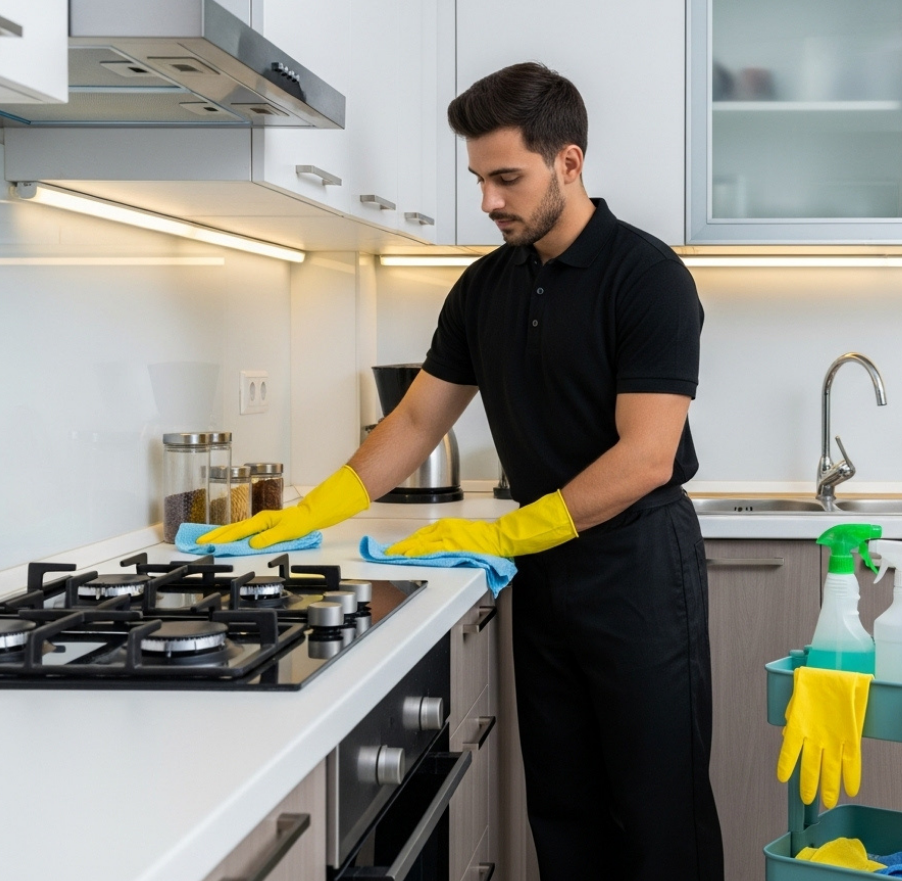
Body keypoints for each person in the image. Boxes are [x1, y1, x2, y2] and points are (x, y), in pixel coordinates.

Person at [199, 62, 724, 881]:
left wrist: (508, 528)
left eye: (507, 178)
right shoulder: (483, 288)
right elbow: (414, 418)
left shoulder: (646, 277)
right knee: (563, 807)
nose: (488, 201)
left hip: (638, 573)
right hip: (541, 573)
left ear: (570, 163)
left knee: (660, 815)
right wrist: (313, 510)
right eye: (479, 178)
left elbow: (645, 456)